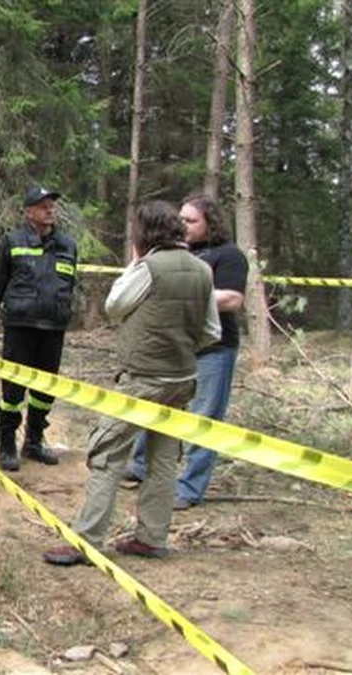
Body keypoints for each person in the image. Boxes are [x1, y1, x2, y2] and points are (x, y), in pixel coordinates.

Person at [43, 201, 220, 565]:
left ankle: (87, 541)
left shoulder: (149, 268)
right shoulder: (202, 270)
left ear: (144, 233)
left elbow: (114, 305)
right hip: (182, 378)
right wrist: (180, 349)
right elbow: (211, 331)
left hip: (143, 379)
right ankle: (152, 538)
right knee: (163, 460)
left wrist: (135, 264)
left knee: (106, 453)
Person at [121, 195, 247, 509]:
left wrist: (187, 292)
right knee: (155, 405)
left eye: (191, 220)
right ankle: (140, 465)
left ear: (210, 223)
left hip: (214, 348)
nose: (183, 224)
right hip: (174, 345)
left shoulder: (228, 255)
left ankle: (190, 487)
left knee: (204, 417)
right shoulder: (174, 252)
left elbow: (232, 299)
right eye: (181, 219)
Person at [0, 185, 79, 471]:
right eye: (42, 206)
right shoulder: (13, 241)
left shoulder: (67, 245)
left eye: (52, 205)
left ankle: (34, 441)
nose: (49, 210)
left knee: (45, 389)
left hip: (53, 328)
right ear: (28, 211)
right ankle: (7, 443)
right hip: (21, 327)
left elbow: (70, 284)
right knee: (13, 389)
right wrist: (16, 308)